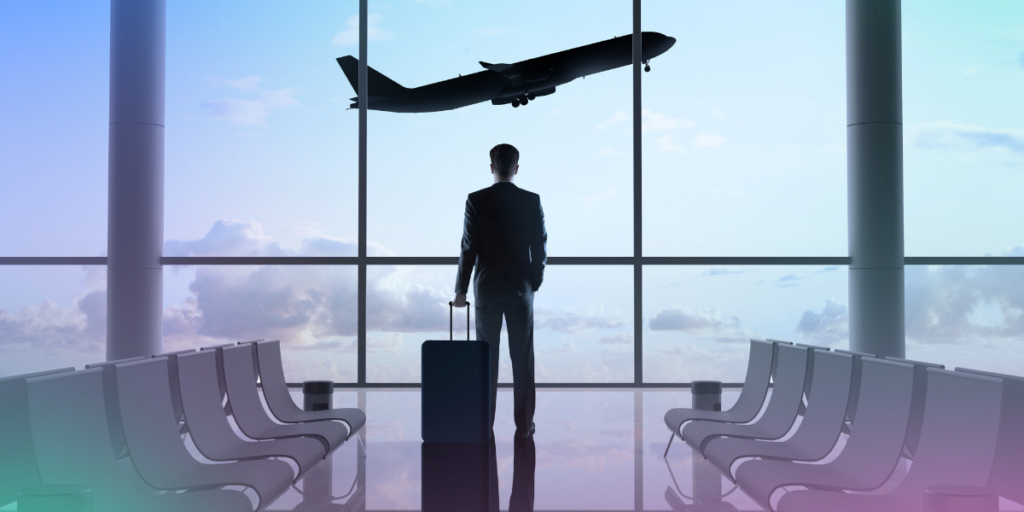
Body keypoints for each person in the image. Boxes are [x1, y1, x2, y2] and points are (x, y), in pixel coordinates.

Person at [453, 143, 546, 439]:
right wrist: (535, 281)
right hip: (521, 289)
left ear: (491, 167)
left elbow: (469, 248)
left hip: (487, 289)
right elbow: (540, 247)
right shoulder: (532, 201)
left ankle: (483, 424)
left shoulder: (476, 200)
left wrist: (461, 291)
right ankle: (524, 427)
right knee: (523, 360)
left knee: (486, 360)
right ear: (516, 168)